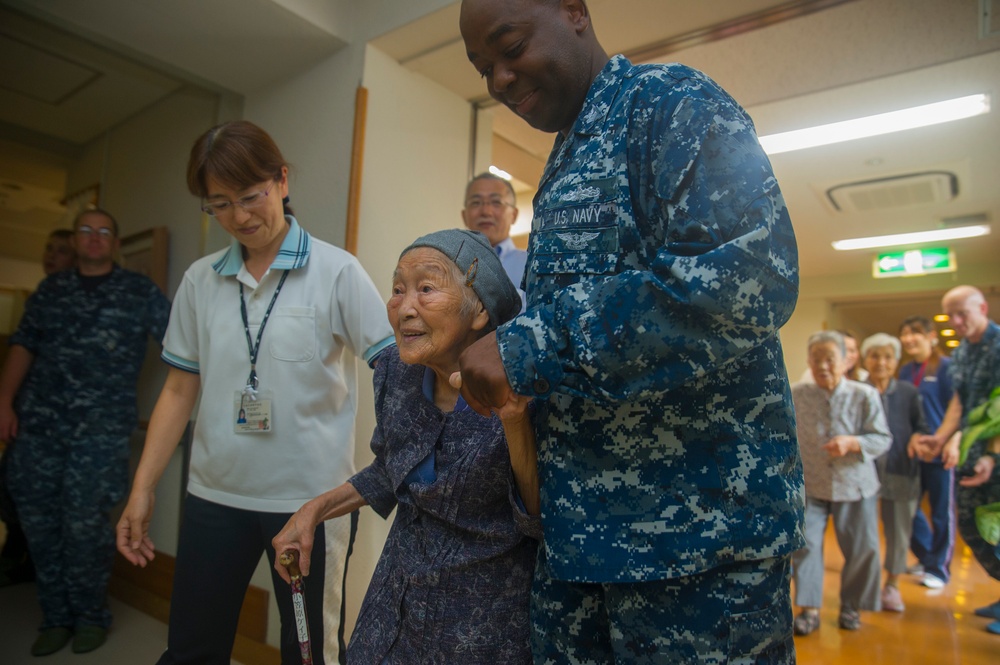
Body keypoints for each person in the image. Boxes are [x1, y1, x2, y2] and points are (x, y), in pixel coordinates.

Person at [456, 1, 804, 661]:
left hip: (694, 554)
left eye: (510, 46)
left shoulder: (669, 104)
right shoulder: (562, 163)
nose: (499, 79)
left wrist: (533, 344)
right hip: (581, 549)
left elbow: (753, 273)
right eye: (483, 69)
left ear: (573, 13)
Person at [115, 120, 394, 665]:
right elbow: (177, 389)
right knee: (193, 647)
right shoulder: (200, 281)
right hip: (214, 496)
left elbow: (393, 369)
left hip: (310, 505)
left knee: (309, 652)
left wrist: (383, 470)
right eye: (218, 205)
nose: (239, 217)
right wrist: (143, 487)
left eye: (250, 196)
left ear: (282, 181)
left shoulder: (336, 272)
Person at [272, 228, 540, 663]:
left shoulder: (521, 386)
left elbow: (536, 520)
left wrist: (514, 421)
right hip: (394, 601)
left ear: (478, 312)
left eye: (426, 288)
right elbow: (390, 470)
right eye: (398, 289)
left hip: (482, 620)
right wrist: (313, 511)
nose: (403, 307)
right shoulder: (396, 372)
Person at [0, 209, 170, 656]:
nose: (94, 239)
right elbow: (23, 345)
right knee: (38, 523)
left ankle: (90, 616)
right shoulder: (51, 290)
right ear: (76, 241)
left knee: (86, 526)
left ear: (114, 243)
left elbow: (182, 343)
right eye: (86, 231)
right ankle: (55, 617)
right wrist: (3, 402)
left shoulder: (137, 291)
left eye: (103, 232)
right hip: (38, 427)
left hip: (99, 432)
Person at [791, 331, 891, 635]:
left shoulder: (865, 395)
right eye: (816, 359)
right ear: (808, 361)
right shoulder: (796, 393)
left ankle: (851, 606)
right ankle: (809, 609)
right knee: (805, 547)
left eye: (830, 359)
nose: (823, 365)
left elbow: (882, 438)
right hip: (813, 484)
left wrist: (854, 442)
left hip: (855, 485)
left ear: (845, 361)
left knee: (864, 549)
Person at [914, 285, 1000, 632]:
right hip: (971, 453)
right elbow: (960, 403)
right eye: (950, 315)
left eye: (962, 313)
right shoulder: (962, 352)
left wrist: (993, 453)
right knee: (973, 526)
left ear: (982, 306)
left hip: (992, 452)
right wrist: (940, 437)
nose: (956, 321)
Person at [0, 229, 78, 589]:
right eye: (49, 248)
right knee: (17, 493)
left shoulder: (116, 294)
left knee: (71, 514)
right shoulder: (42, 297)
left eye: (62, 251)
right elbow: (22, 348)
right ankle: (19, 559)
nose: (52, 256)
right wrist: (5, 402)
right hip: (31, 420)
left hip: (81, 430)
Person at [860, 333, 927, 613]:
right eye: (875, 356)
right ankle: (867, 586)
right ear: (866, 360)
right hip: (864, 472)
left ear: (897, 361)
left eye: (888, 356)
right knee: (864, 534)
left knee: (899, 533)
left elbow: (921, 426)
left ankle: (892, 585)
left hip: (901, 470)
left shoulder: (908, 392)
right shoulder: (857, 389)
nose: (881, 362)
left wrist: (918, 438)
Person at [897, 315, 955, 589]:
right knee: (908, 508)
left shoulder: (946, 368)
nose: (909, 339)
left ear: (932, 336)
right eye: (905, 334)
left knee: (941, 512)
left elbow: (957, 411)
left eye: (915, 333)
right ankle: (926, 556)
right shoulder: (906, 371)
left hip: (941, 454)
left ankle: (939, 569)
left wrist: (943, 441)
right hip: (914, 451)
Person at [461, 172, 528, 311]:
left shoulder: (532, 266)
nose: (486, 211)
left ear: (514, 215)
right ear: (464, 215)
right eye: (476, 203)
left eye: (496, 202)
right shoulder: (447, 266)